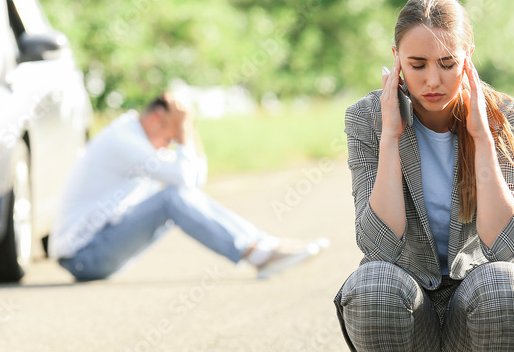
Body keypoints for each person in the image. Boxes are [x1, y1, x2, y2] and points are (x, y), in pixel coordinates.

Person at [333, 0, 514, 352]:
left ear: (468, 58)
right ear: (395, 61)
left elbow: (506, 245)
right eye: (417, 65)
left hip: (472, 314)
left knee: (509, 285)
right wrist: (391, 135)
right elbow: (377, 244)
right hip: (405, 312)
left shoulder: (504, 116)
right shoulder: (365, 119)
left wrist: (479, 137)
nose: (433, 80)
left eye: (448, 63)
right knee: (369, 283)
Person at [52, 92, 327, 281]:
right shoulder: (123, 141)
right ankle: (259, 253)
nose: (171, 144)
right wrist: (183, 129)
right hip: (84, 256)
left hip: (98, 249)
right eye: (170, 136)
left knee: (178, 196)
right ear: (154, 120)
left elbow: (195, 180)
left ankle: (261, 246)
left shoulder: (138, 136)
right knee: (170, 199)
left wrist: (189, 126)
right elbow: (183, 180)